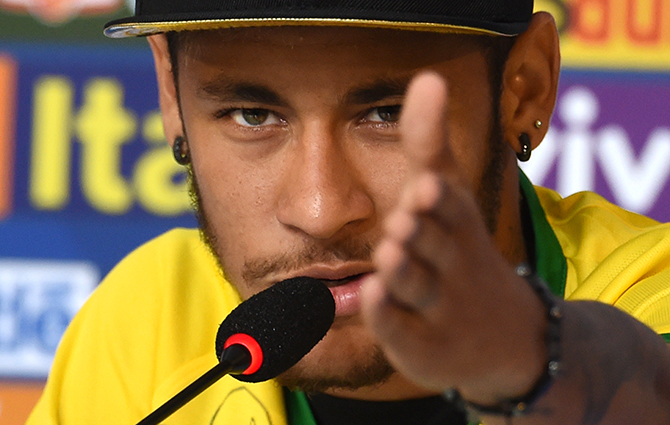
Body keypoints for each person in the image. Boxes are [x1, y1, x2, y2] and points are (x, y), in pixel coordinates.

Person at [28, 1, 670, 424]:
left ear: (524, 86)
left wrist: (529, 355)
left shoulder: (650, 291)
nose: (320, 210)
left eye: (385, 114)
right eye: (253, 116)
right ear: (170, 91)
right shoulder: (145, 320)